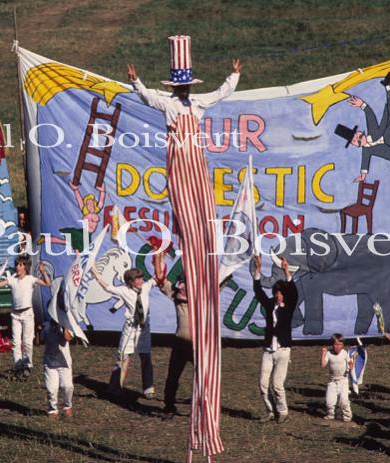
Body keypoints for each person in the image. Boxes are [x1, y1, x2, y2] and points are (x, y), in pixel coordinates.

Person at [127, 37, 241, 454]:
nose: (185, 92)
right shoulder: (170, 106)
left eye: (186, 87)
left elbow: (220, 94)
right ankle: (175, 400)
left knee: (201, 199)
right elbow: (148, 98)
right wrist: (137, 82)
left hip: (196, 163)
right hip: (180, 161)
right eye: (182, 88)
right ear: (176, 88)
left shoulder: (198, 104)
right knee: (184, 192)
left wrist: (234, 75)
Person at [92, 266, 156, 399]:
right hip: (130, 328)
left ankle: (148, 388)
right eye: (136, 279)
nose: (140, 281)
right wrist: (94, 272)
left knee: (146, 357)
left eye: (140, 278)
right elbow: (107, 287)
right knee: (122, 358)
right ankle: (114, 387)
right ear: (130, 282)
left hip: (143, 329)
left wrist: (159, 256)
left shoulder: (146, 286)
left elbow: (159, 276)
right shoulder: (123, 290)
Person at [334, 71, 390, 182]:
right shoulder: (366, 150)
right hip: (389, 139)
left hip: (387, 127)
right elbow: (365, 162)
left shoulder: (371, 131)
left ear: (359, 132)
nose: (358, 139)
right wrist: (362, 177)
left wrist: (362, 105)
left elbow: (370, 116)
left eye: (356, 136)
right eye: (355, 141)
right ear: (355, 145)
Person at [0, 255, 51, 378]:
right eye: (17, 265)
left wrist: (43, 272)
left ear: (26, 267)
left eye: (21, 265)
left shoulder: (30, 279)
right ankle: (18, 366)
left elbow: (47, 283)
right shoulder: (12, 279)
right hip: (15, 314)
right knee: (16, 342)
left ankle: (27, 366)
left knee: (27, 342)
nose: (18, 267)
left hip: (27, 314)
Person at [252, 254, 297, 424]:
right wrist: (257, 270)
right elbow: (258, 293)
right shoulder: (270, 304)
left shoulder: (289, 307)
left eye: (281, 293)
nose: (279, 296)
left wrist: (286, 271)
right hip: (268, 350)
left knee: (277, 384)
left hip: (283, 350)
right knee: (263, 384)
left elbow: (294, 292)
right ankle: (270, 411)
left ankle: (283, 411)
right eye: (276, 293)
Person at [154, 250, 191, 417]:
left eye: (186, 284)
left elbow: (222, 279)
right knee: (172, 377)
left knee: (203, 380)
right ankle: (169, 406)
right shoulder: (176, 296)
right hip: (179, 344)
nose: (181, 286)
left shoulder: (203, 299)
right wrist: (159, 255)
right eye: (181, 283)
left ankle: (204, 408)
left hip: (198, 346)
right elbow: (160, 277)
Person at [41, 320, 74, 418]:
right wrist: (38, 329)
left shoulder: (67, 324)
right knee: (52, 389)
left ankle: (67, 405)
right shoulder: (46, 325)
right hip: (50, 362)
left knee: (67, 386)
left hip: (64, 363)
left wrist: (64, 327)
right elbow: (39, 342)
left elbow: (67, 338)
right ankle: (52, 410)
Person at [321, 333, 354, 422]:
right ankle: (330, 414)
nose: (337, 347)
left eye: (340, 345)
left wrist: (351, 364)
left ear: (343, 345)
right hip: (332, 381)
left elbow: (350, 364)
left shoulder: (344, 353)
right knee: (329, 401)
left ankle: (347, 416)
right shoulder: (329, 353)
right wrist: (323, 353)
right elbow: (323, 365)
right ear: (332, 344)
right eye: (335, 344)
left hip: (343, 381)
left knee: (344, 401)